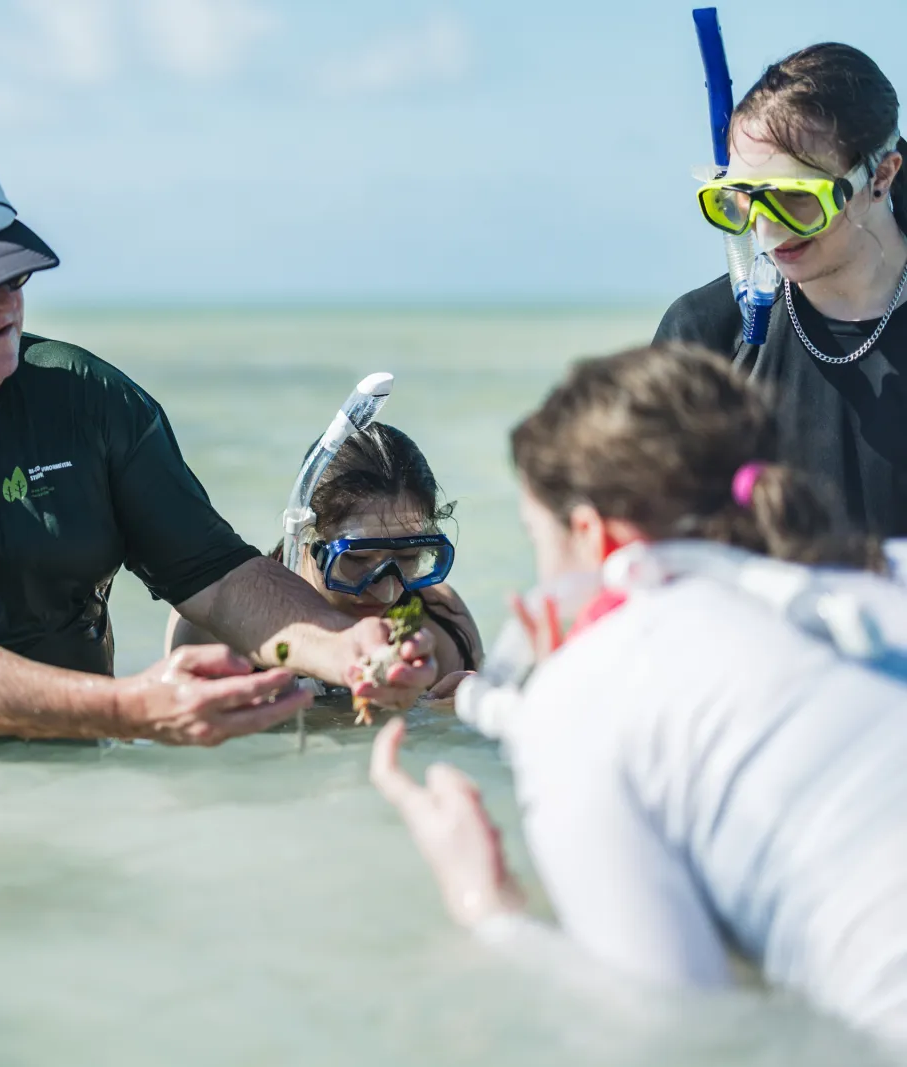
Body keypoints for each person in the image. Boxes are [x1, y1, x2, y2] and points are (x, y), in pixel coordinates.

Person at [0, 137, 434, 743]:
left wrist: (348, 651)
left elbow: (218, 579)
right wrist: (133, 707)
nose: (4, 302)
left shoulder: (89, 400)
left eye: (9, 270)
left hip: (68, 762)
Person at [371, 344, 907, 1043]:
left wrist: (489, 908)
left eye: (541, 539)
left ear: (593, 535)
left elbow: (679, 1027)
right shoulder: (882, 571)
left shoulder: (588, 691)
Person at [656, 43, 907, 537]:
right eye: (740, 201)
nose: (765, 232)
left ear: (881, 176)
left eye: (796, 199)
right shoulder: (705, 333)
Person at [165, 424, 481, 693]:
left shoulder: (441, 622)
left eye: (410, 556)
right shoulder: (216, 628)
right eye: (358, 560)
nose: (386, 591)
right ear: (305, 539)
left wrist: (439, 716)